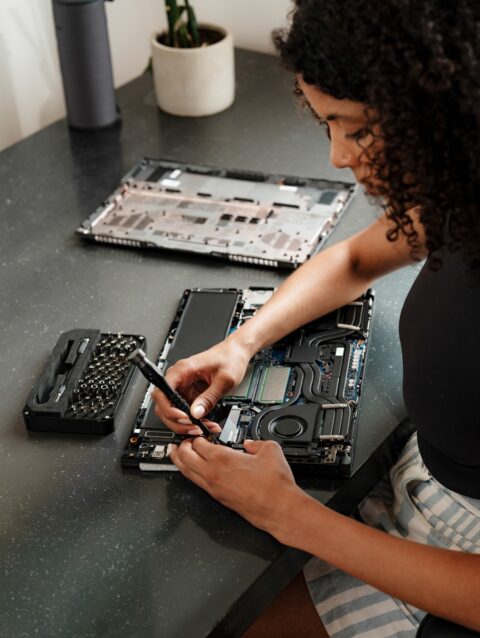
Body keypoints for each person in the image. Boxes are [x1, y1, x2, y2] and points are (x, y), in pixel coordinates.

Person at [152, 1, 480, 636]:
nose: (337, 155)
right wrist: (242, 343)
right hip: (425, 496)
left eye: (355, 127)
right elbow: (356, 259)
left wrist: (289, 514)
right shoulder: (458, 196)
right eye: (326, 123)